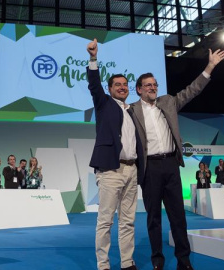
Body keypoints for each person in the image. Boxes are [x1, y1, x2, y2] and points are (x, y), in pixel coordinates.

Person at [129, 47, 224, 270]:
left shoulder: (168, 102)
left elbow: (193, 90)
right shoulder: (131, 110)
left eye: (155, 84)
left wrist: (210, 66)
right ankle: (157, 261)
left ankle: (184, 261)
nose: (153, 88)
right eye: (148, 85)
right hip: (149, 168)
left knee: (178, 217)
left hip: (171, 164)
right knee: (153, 218)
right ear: (139, 90)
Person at [86, 38, 143, 270]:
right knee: (106, 221)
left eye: (125, 84)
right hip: (111, 169)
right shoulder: (104, 103)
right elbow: (93, 84)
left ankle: (127, 263)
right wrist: (93, 58)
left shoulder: (134, 110)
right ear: (110, 89)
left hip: (132, 169)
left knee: (128, 221)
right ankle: (103, 265)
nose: (122, 87)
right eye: (117, 84)